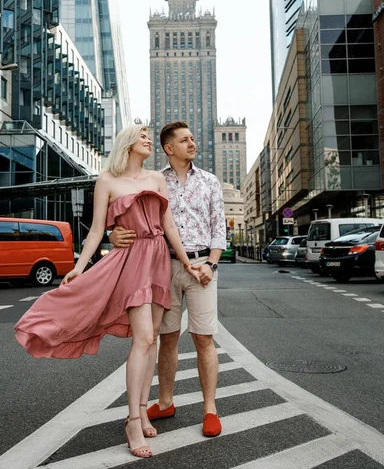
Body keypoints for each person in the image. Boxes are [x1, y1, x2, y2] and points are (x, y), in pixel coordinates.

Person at [15, 124, 198, 459]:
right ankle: (131, 420)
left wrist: (186, 262)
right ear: (128, 143)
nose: (148, 140)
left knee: (152, 337)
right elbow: (98, 229)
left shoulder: (157, 180)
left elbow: (168, 225)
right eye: (142, 136)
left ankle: (142, 410)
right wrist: (78, 267)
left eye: (149, 137)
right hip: (129, 261)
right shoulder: (107, 181)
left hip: (157, 257)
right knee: (143, 338)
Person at [109, 121, 226, 437]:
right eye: (185, 140)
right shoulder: (155, 180)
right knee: (166, 337)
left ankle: (210, 410)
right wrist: (113, 232)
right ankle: (165, 402)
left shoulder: (211, 182)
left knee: (203, 337)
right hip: (162, 266)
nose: (192, 143)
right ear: (168, 148)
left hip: (202, 267)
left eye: (193, 138)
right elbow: (129, 212)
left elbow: (219, 229)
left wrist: (211, 266)